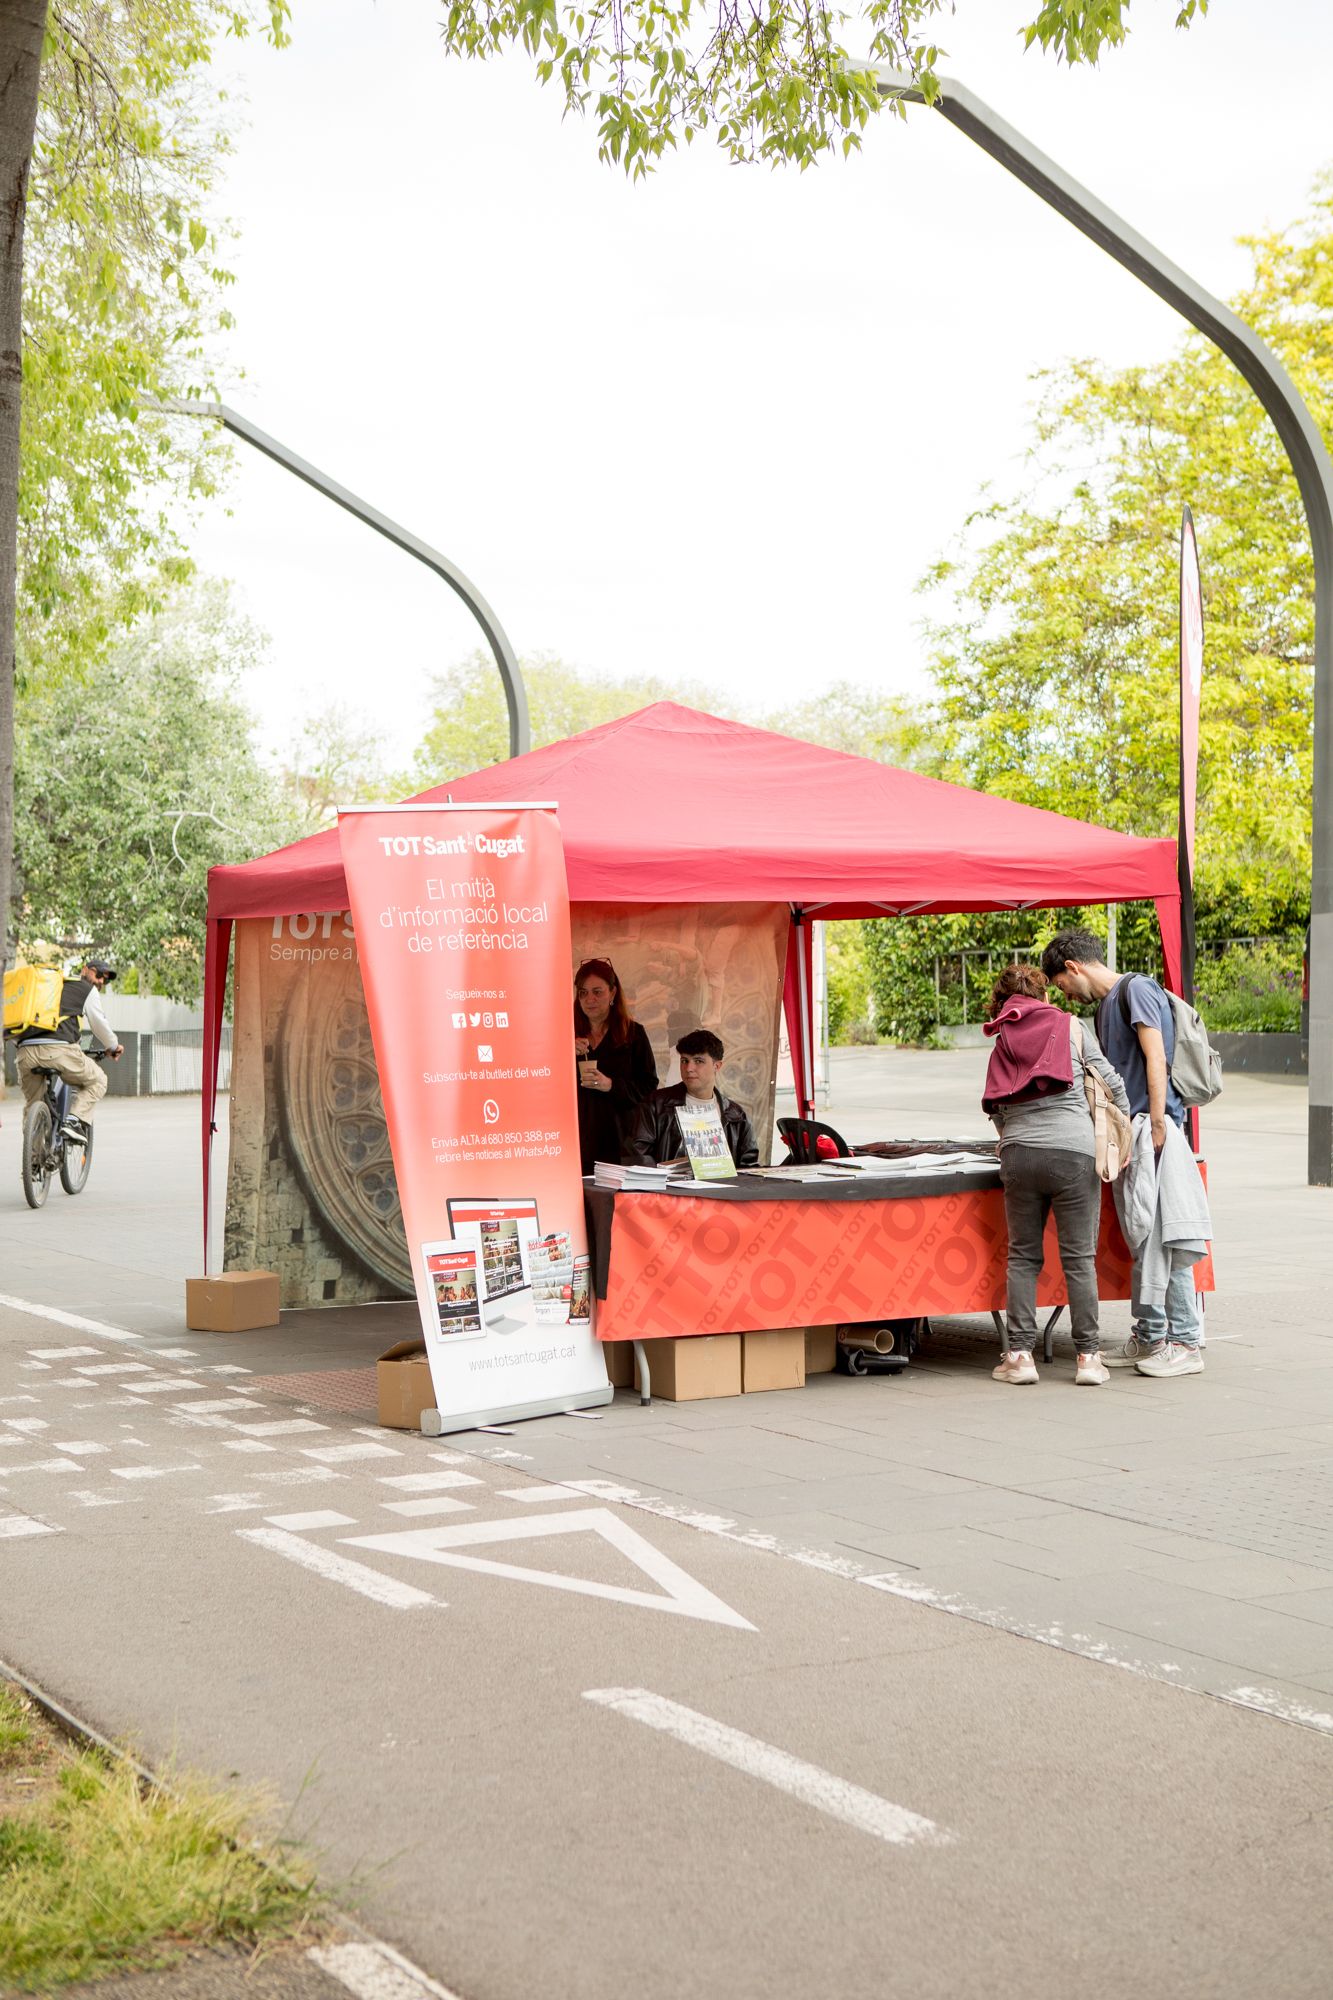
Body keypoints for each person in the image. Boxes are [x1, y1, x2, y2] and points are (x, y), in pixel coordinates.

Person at [1040, 925, 1206, 1378]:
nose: (1066, 995)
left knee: (1163, 1238)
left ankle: (1186, 1342)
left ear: (1073, 968)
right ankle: (1151, 1335)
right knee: (1143, 1239)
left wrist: (1155, 1123)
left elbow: (1157, 1058)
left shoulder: (1137, 990)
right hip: (1132, 1134)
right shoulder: (1109, 1007)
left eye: (1062, 985)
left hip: (1154, 1131)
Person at [982, 963, 1130, 1387]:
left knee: (1023, 1257)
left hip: (1019, 1154)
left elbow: (996, 1106)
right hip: (1073, 1153)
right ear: (1043, 996)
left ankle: (1020, 1357)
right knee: (1079, 1259)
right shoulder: (1071, 1028)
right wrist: (1127, 1126)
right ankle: (1087, 1359)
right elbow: (1111, 1082)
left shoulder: (1002, 1035)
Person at [13, 959, 123, 1141]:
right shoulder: (86, 989)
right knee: (99, 1080)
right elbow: (99, 1024)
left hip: (25, 1052)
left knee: (34, 1104)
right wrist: (113, 1046)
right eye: (98, 975)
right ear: (85, 970)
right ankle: (74, 1121)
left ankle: (33, 1161)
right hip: (59, 1051)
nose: (101, 982)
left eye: (105, 980)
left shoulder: (42, 990)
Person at [629, 1028, 760, 1169]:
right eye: (684, 1061)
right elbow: (639, 1159)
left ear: (717, 1066)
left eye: (698, 1061)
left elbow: (749, 1170)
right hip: (669, 1190)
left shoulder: (738, 1116)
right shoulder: (655, 1105)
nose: (689, 1068)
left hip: (720, 1190)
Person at [573, 958, 657, 1174]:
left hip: (621, 1142)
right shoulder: (567, 1034)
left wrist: (611, 1085)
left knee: (615, 1206)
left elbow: (648, 1086)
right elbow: (546, 1084)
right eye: (583, 993)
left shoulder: (634, 1034)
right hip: (576, 1143)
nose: (589, 999)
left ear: (613, 993)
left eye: (597, 992)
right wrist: (564, 1055)